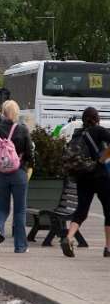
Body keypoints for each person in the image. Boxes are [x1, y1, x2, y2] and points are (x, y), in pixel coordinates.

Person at [61, 107, 110, 258]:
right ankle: (108, 247)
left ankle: (69, 238)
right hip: (100, 176)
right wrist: (102, 158)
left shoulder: (77, 133)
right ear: (97, 119)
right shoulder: (99, 130)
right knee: (109, 210)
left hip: (82, 177)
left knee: (82, 210)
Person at [0, 100, 33, 254]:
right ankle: (20, 246)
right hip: (18, 173)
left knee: (2, 208)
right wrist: (25, 167)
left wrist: (0, 163)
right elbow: (29, 153)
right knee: (19, 211)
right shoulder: (22, 130)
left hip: (0, 175)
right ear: (16, 112)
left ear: (3, 113)